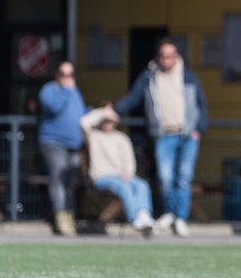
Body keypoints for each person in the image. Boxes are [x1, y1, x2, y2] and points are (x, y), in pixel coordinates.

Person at [115, 39, 207, 238]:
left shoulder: (189, 77)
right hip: (164, 134)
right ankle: (169, 212)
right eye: (163, 56)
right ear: (158, 57)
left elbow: (201, 104)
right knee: (165, 178)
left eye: (170, 56)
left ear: (177, 56)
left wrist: (199, 129)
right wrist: (115, 110)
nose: (167, 60)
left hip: (187, 134)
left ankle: (180, 217)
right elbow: (134, 97)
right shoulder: (149, 77)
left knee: (184, 178)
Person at [79, 105, 156, 235]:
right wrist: (103, 112)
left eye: (111, 120)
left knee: (141, 185)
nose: (108, 123)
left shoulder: (122, 138)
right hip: (101, 177)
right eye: (106, 120)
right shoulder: (94, 136)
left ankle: (144, 214)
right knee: (124, 187)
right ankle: (135, 219)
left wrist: (128, 173)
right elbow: (83, 122)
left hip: (122, 176)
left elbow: (129, 161)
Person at [38, 61, 86, 237]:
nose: (67, 78)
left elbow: (79, 113)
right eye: (63, 74)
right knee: (58, 180)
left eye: (70, 75)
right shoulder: (49, 90)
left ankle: (69, 215)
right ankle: (60, 218)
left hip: (74, 145)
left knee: (70, 183)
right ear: (56, 75)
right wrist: (66, 90)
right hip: (53, 142)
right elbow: (54, 107)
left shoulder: (75, 92)